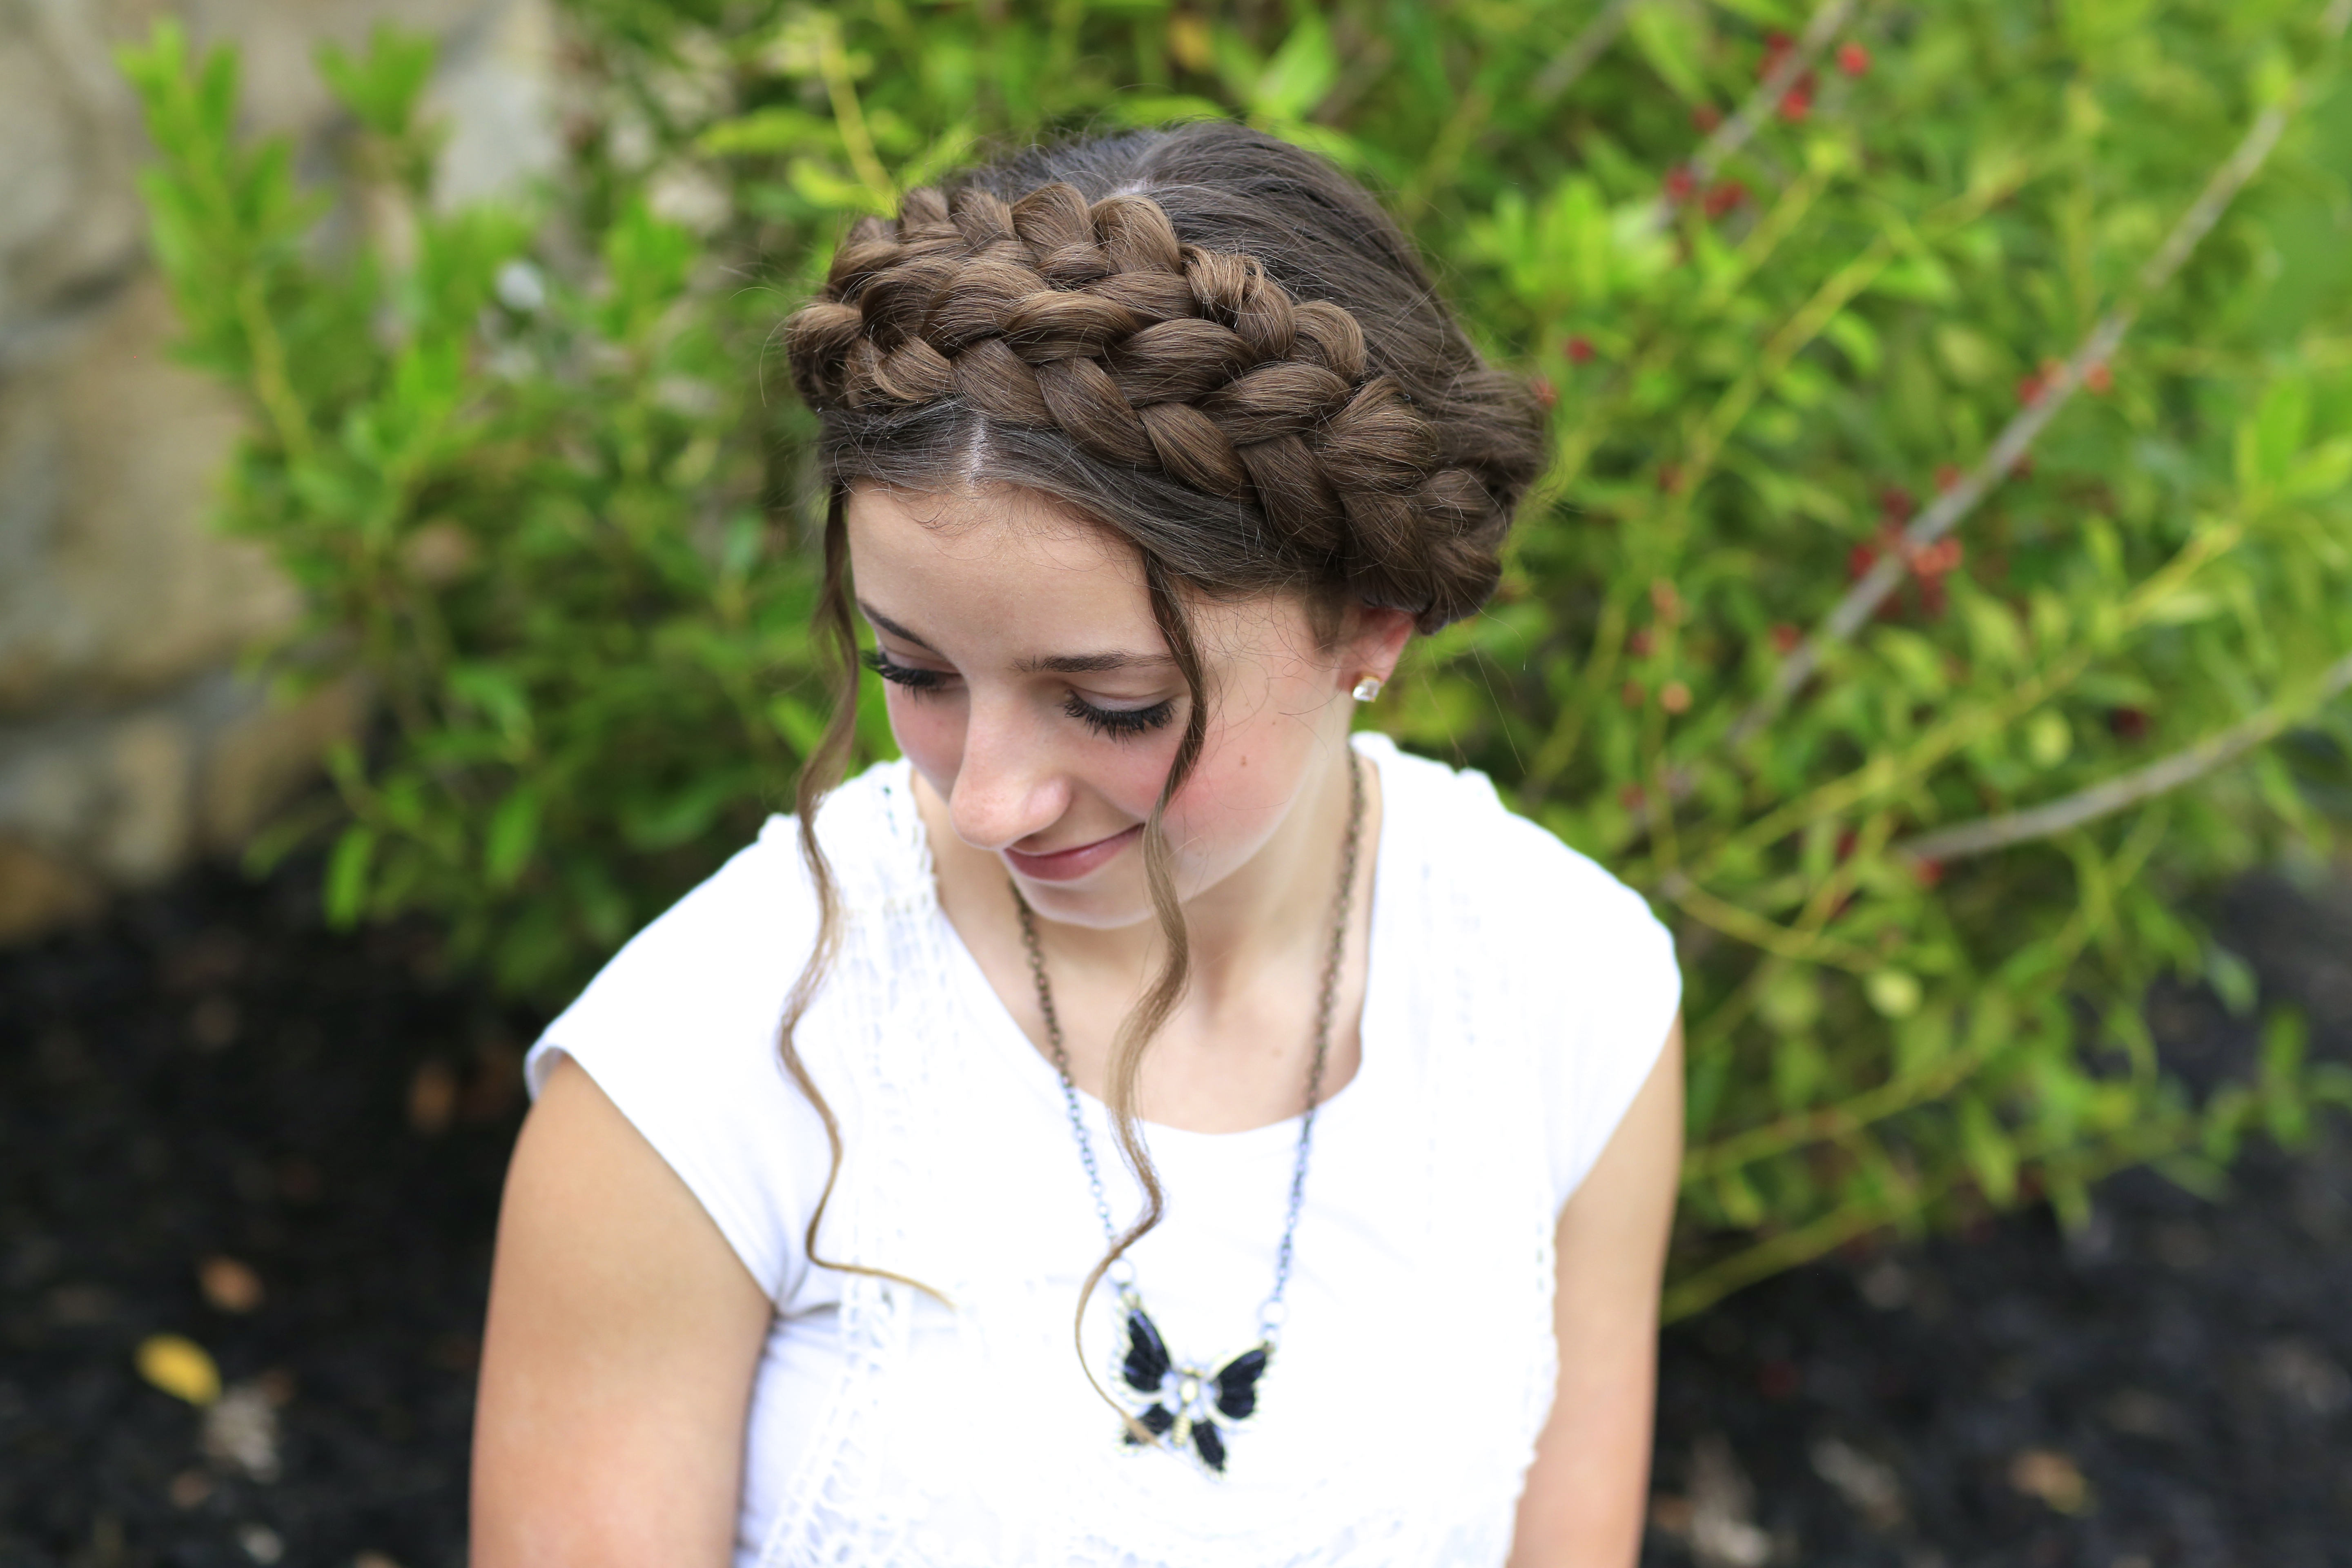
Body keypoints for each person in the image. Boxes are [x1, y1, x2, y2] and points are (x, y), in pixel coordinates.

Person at [472, 121, 1683, 1568]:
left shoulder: (1565, 988)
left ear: (1375, 618)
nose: (985, 801)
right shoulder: (702, 1075)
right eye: (914, 674)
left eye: (1110, 705)